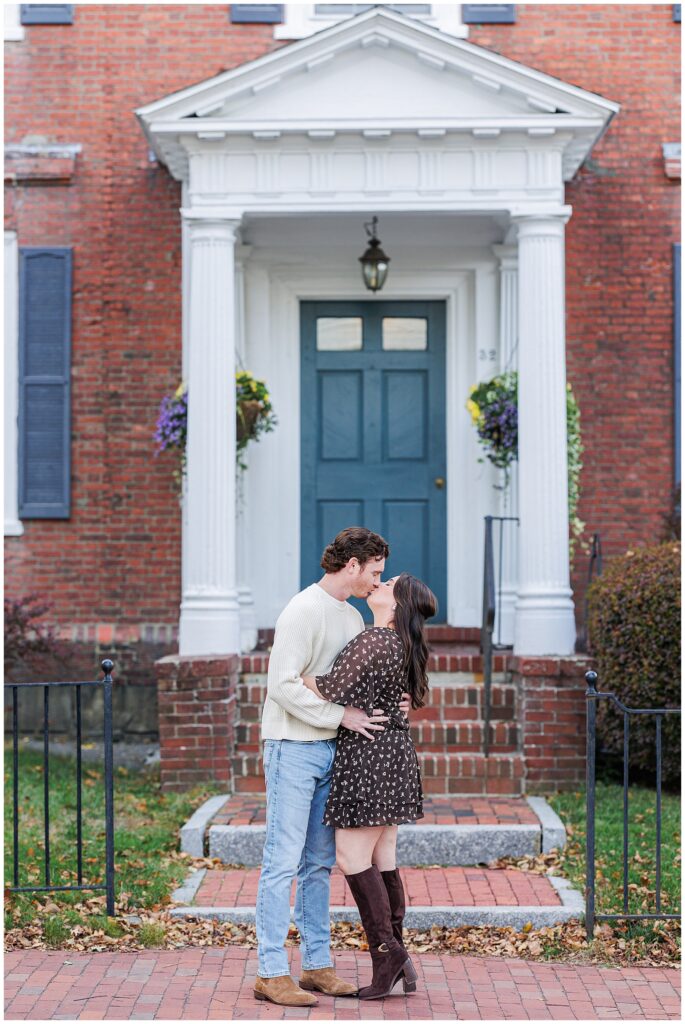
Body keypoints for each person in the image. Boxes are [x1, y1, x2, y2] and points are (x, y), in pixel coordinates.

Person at [253, 527, 412, 1008]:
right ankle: (270, 970)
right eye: (376, 572)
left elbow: (347, 684)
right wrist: (341, 715)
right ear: (353, 565)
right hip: (292, 746)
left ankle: (317, 965)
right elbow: (282, 685)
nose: (377, 582)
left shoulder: (351, 617)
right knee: (282, 859)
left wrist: (395, 702)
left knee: (319, 863)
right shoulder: (303, 610)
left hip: (333, 751)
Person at [302, 572, 437, 1000]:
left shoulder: (376, 639)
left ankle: (387, 954)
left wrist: (289, 673)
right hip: (395, 758)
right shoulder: (402, 644)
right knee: (384, 857)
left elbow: (328, 689)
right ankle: (398, 955)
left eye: (389, 582)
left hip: (370, 757)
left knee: (351, 857)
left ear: (396, 605)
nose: (380, 583)